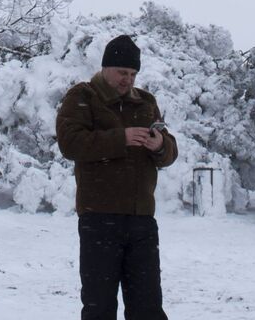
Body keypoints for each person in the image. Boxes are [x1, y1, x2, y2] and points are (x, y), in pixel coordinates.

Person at [55, 34, 178, 320]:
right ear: (106, 67)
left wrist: (160, 145)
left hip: (141, 221)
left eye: (133, 74)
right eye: (122, 72)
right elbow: (69, 143)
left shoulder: (146, 102)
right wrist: (119, 139)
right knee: (99, 308)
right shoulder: (83, 97)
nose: (128, 80)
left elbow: (170, 152)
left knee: (148, 309)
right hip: (99, 219)